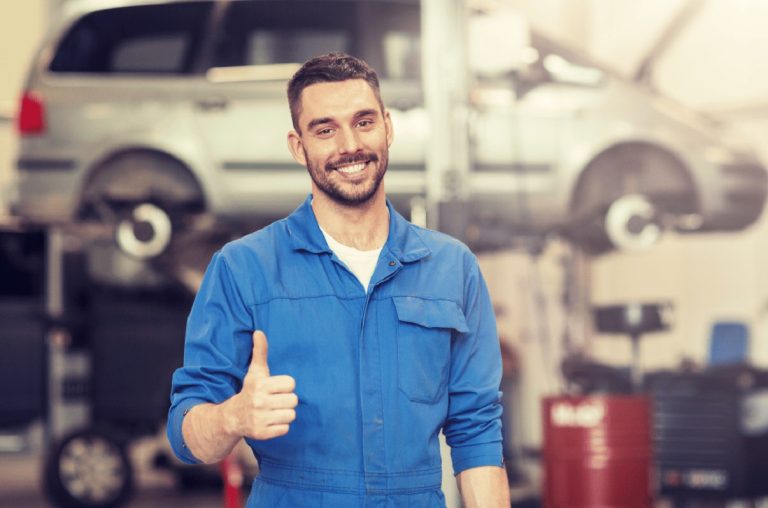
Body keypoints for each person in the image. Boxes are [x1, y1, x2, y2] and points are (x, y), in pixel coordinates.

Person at [167, 53, 509, 507]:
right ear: (298, 146)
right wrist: (232, 417)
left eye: (363, 122)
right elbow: (186, 434)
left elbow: (477, 430)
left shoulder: (453, 268)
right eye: (325, 130)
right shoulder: (243, 268)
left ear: (388, 127)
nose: (349, 145)